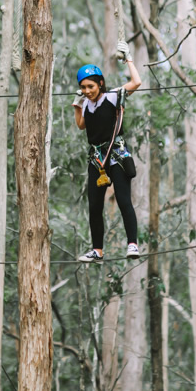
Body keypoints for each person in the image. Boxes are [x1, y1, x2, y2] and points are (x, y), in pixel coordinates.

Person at [72, 41, 142, 262]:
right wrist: (77, 105)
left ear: (100, 84)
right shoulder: (85, 103)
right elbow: (82, 125)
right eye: (83, 88)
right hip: (96, 159)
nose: (87, 91)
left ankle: (132, 244)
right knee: (94, 206)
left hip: (116, 155)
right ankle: (97, 250)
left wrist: (128, 58)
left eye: (90, 87)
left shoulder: (112, 96)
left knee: (123, 200)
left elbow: (136, 82)